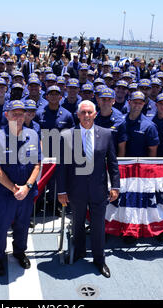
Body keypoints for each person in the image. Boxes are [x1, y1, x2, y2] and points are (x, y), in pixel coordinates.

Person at [57, 100, 120, 278]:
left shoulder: (106, 134)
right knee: (77, 223)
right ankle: (79, 252)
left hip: (99, 190)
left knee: (98, 225)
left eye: (89, 112)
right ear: (77, 115)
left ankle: (100, 260)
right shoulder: (66, 135)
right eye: (83, 112)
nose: (86, 116)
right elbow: (61, 166)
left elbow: (113, 163)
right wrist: (61, 191)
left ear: (95, 114)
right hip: (76, 190)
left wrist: (115, 185)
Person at [0, 100, 41, 276]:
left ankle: (19, 252)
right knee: (0, 227)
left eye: (21, 113)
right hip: (4, 193)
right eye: (14, 113)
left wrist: (27, 187)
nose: (18, 117)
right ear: (6, 115)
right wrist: (14, 189)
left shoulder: (33, 134)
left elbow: (37, 165)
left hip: (26, 192)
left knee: (23, 225)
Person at [125, 91, 160, 157]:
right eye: (135, 102)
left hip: (140, 165)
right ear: (129, 102)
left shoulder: (149, 126)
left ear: (144, 104)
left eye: (140, 103)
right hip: (121, 164)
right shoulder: (120, 121)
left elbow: (152, 150)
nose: (137, 105)